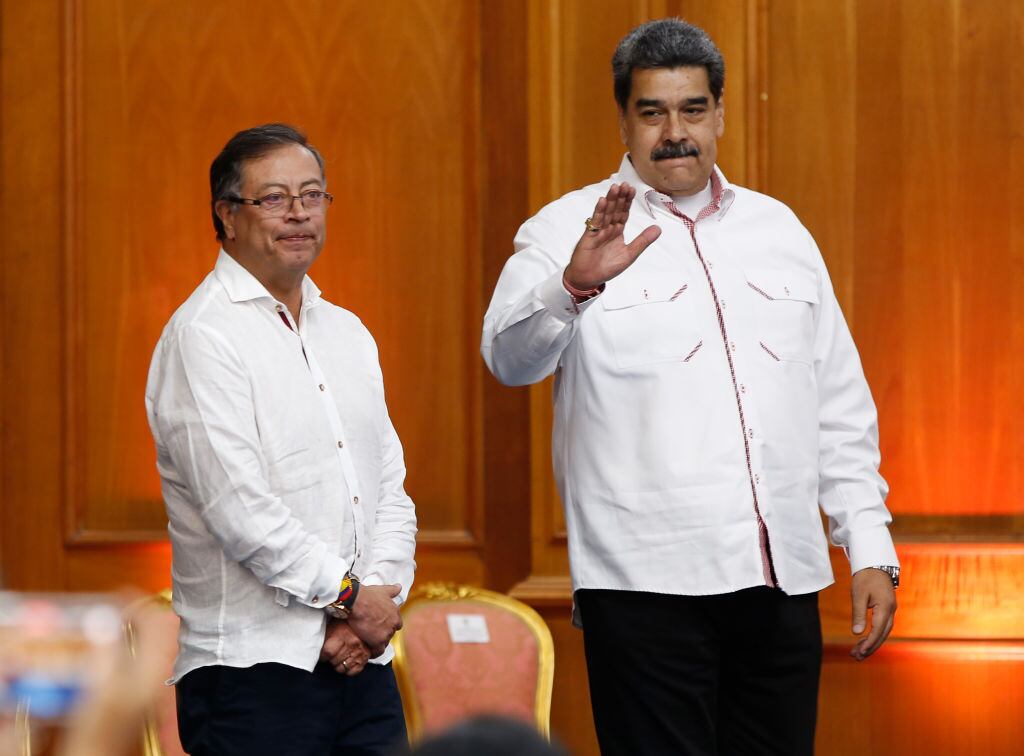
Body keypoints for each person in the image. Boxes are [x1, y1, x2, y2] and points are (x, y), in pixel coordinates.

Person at [482, 18, 898, 756]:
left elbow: (836, 402)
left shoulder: (780, 231)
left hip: (781, 584)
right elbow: (508, 359)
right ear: (624, 120)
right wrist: (573, 285)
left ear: (721, 114)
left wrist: (866, 545)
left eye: (693, 110)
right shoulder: (563, 230)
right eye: (653, 113)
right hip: (644, 591)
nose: (676, 133)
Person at [145, 123, 417, 756]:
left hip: (363, 666)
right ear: (227, 216)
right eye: (273, 198)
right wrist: (353, 600)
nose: (298, 214)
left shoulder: (348, 333)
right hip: (251, 674)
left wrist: (376, 602)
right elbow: (241, 513)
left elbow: (389, 490)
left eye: (312, 194)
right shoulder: (202, 338)